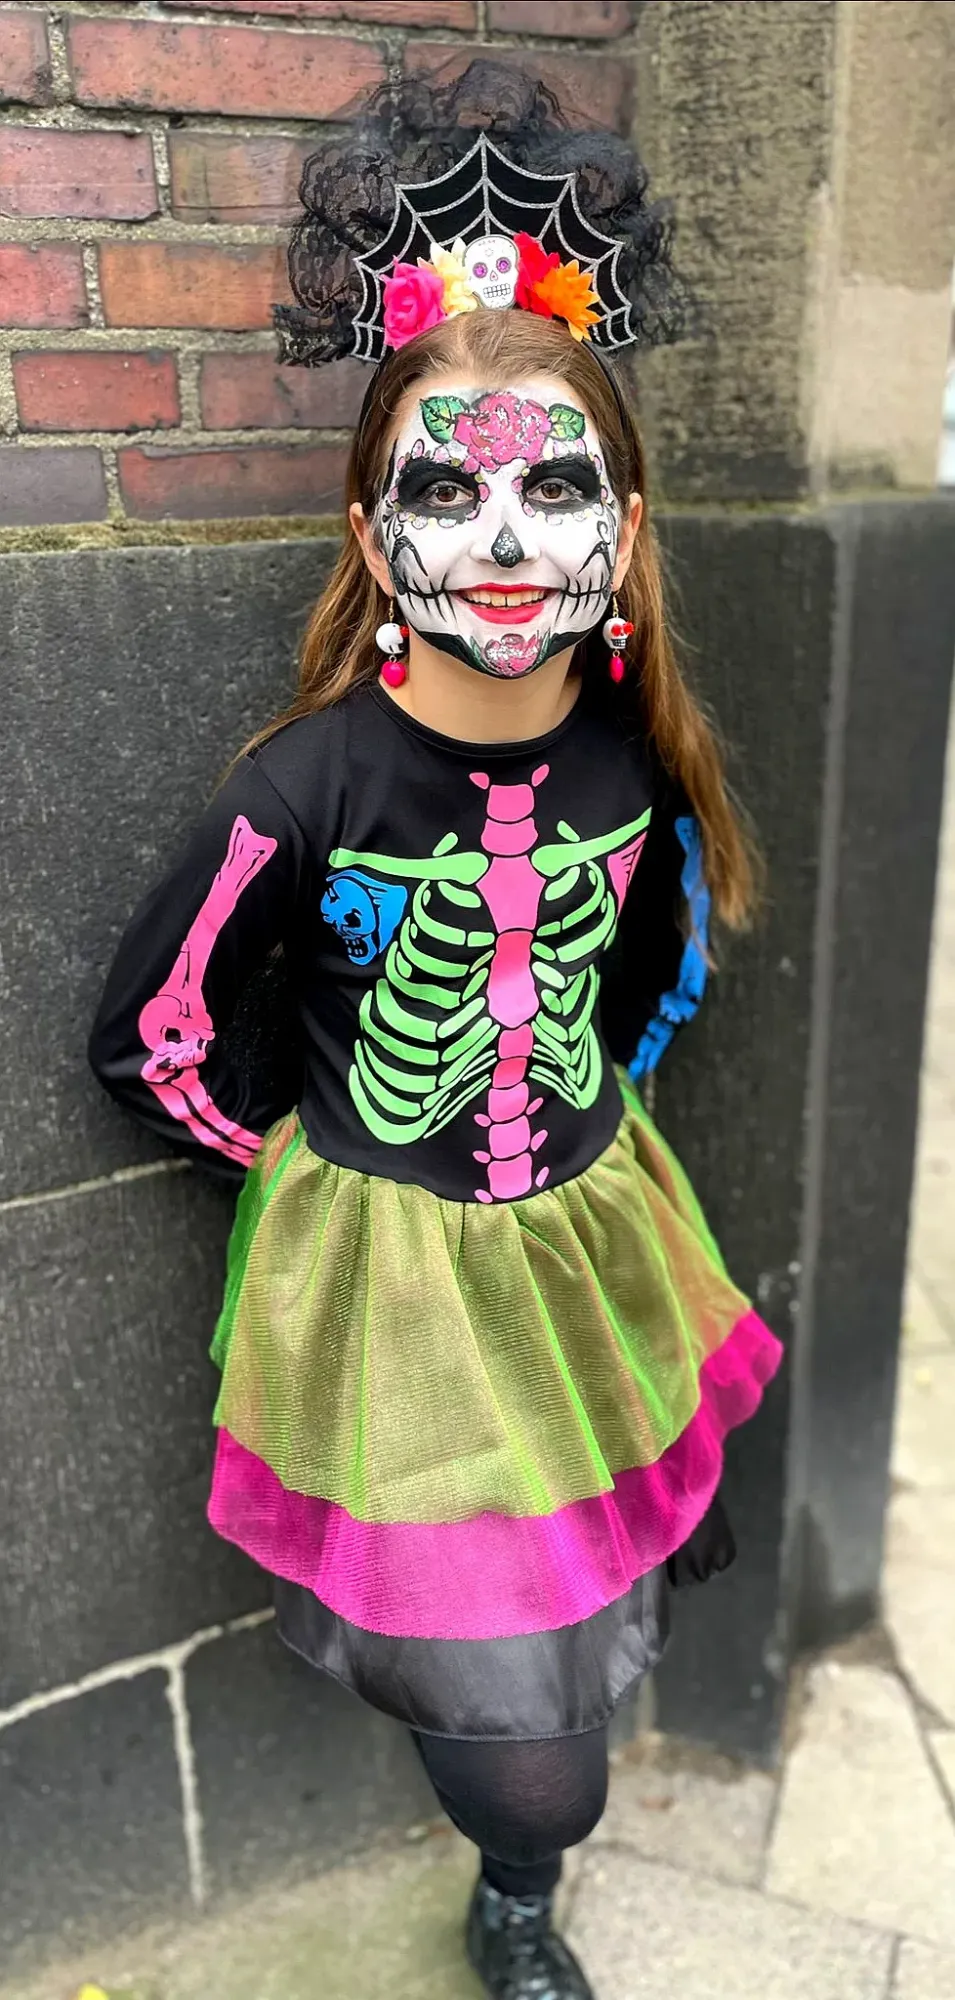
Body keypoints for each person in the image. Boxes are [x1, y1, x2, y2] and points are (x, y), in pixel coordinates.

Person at [88, 65, 783, 2000]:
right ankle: (520, 1864)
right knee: (533, 1747)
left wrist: (584, 1123)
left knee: (604, 1582)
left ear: (622, 528)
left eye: (552, 488)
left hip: (594, 1243)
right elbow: (148, 1041)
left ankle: (518, 1903)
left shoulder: (639, 767)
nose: (500, 540)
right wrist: (316, 1177)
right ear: (370, 527)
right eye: (442, 488)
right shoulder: (300, 791)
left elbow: (658, 974)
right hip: (392, 1290)